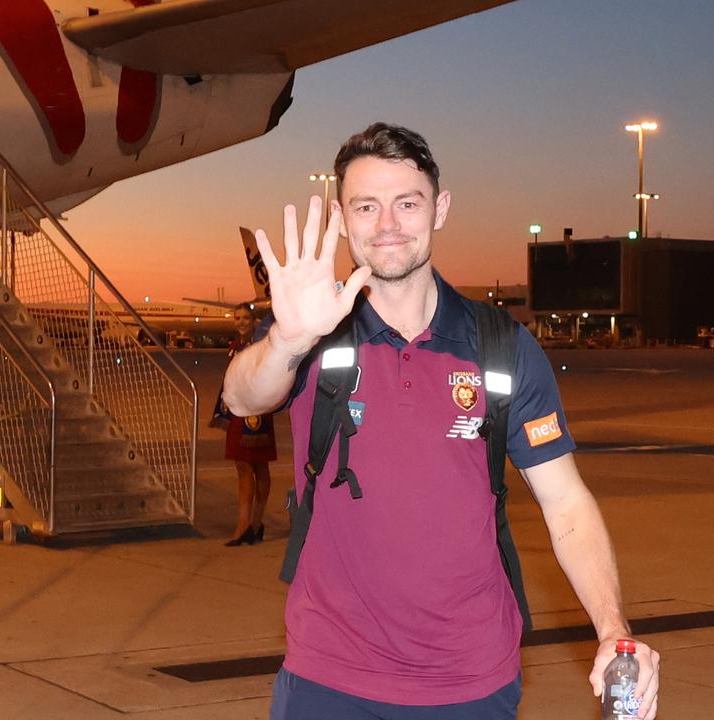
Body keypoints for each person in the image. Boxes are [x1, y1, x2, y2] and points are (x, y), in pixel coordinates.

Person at [222, 123, 660, 719]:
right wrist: (289, 339)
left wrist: (612, 628)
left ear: (440, 208)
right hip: (329, 677)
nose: (388, 225)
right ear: (343, 219)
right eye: (366, 207)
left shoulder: (502, 347)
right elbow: (244, 396)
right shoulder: (312, 334)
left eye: (408, 203)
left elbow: (566, 505)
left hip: (470, 680)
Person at [214, 303, 276, 546]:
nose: (240, 322)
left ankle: (251, 524)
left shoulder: (260, 345)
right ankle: (249, 523)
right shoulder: (235, 347)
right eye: (237, 318)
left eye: (245, 318)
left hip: (256, 410)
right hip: (239, 409)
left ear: (254, 321)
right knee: (243, 466)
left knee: (258, 466)